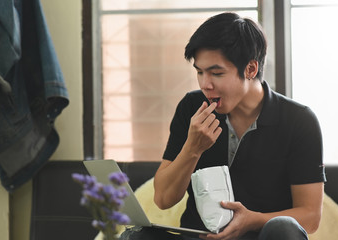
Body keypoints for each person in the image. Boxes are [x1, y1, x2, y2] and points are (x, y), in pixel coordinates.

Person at [121, 12, 325, 240]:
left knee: (284, 229)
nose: (205, 84)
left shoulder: (299, 120)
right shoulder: (191, 108)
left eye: (216, 73)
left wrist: (252, 220)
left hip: (259, 237)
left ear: (250, 69)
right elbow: (163, 198)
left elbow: (310, 216)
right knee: (137, 236)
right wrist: (193, 148)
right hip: (199, 237)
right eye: (199, 72)